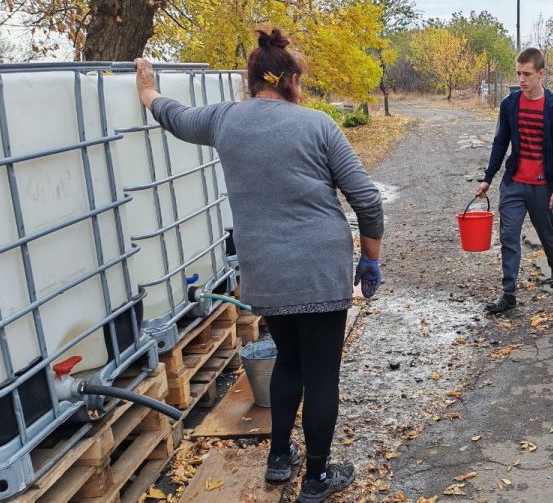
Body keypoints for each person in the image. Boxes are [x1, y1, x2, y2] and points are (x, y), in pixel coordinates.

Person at [135, 28, 383, 502]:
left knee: (287, 361)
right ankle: (315, 479)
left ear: (251, 81)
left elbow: (177, 117)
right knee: (322, 375)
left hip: (265, 272)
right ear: (291, 79)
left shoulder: (224, 120)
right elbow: (367, 201)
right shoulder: (318, 125)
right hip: (319, 269)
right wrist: (371, 260)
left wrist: (148, 91)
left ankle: (277, 459)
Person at [477, 48, 553, 313]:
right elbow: (499, 142)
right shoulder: (510, 105)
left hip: (543, 184)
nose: (521, 79)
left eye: (527, 74)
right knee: (508, 235)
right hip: (514, 182)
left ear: (542, 74)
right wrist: (488, 178)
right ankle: (508, 293)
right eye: (518, 73)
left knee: (546, 231)